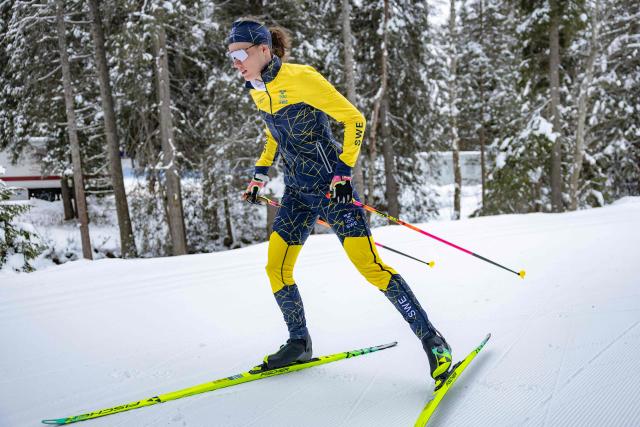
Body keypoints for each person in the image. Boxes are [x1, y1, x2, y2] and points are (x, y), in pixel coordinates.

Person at [226, 18, 452, 384]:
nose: (235, 60)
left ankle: (434, 341)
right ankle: (299, 342)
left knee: (371, 268)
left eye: (241, 53)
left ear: (264, 49)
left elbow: (354, 119)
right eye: (231, 55)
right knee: (276, 267)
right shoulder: (256, 89)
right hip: (297, 193)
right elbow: (274, 134)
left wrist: (344, 173)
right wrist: (259, 174)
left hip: (334, 190)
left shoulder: (301, 78)